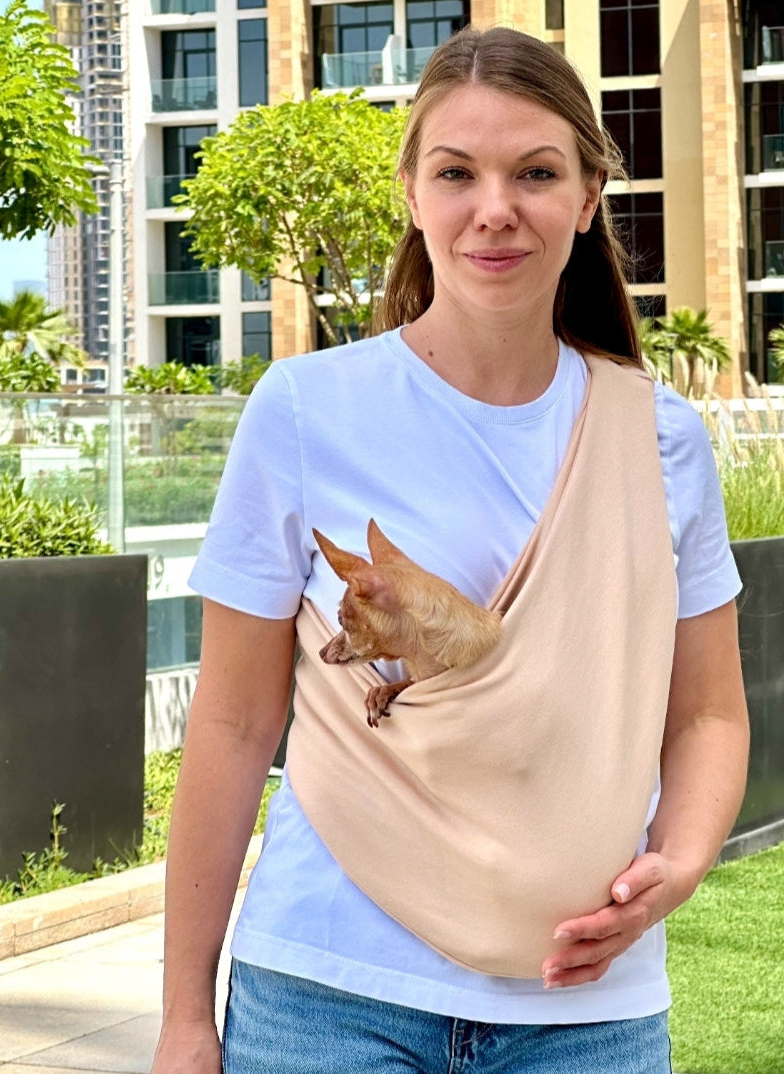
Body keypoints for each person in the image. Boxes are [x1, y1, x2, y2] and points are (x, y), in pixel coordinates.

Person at [150, 25, 749, 1074]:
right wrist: (186, 1023)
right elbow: (237, 724)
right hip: (328, 998)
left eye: (537, 172)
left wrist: (686, 858)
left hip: (586, 1010)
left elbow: (706, 713)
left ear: (591, 194)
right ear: (413, 192)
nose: (495, 208)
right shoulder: (306, 409)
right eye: (457, 172)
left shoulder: (660, 440)